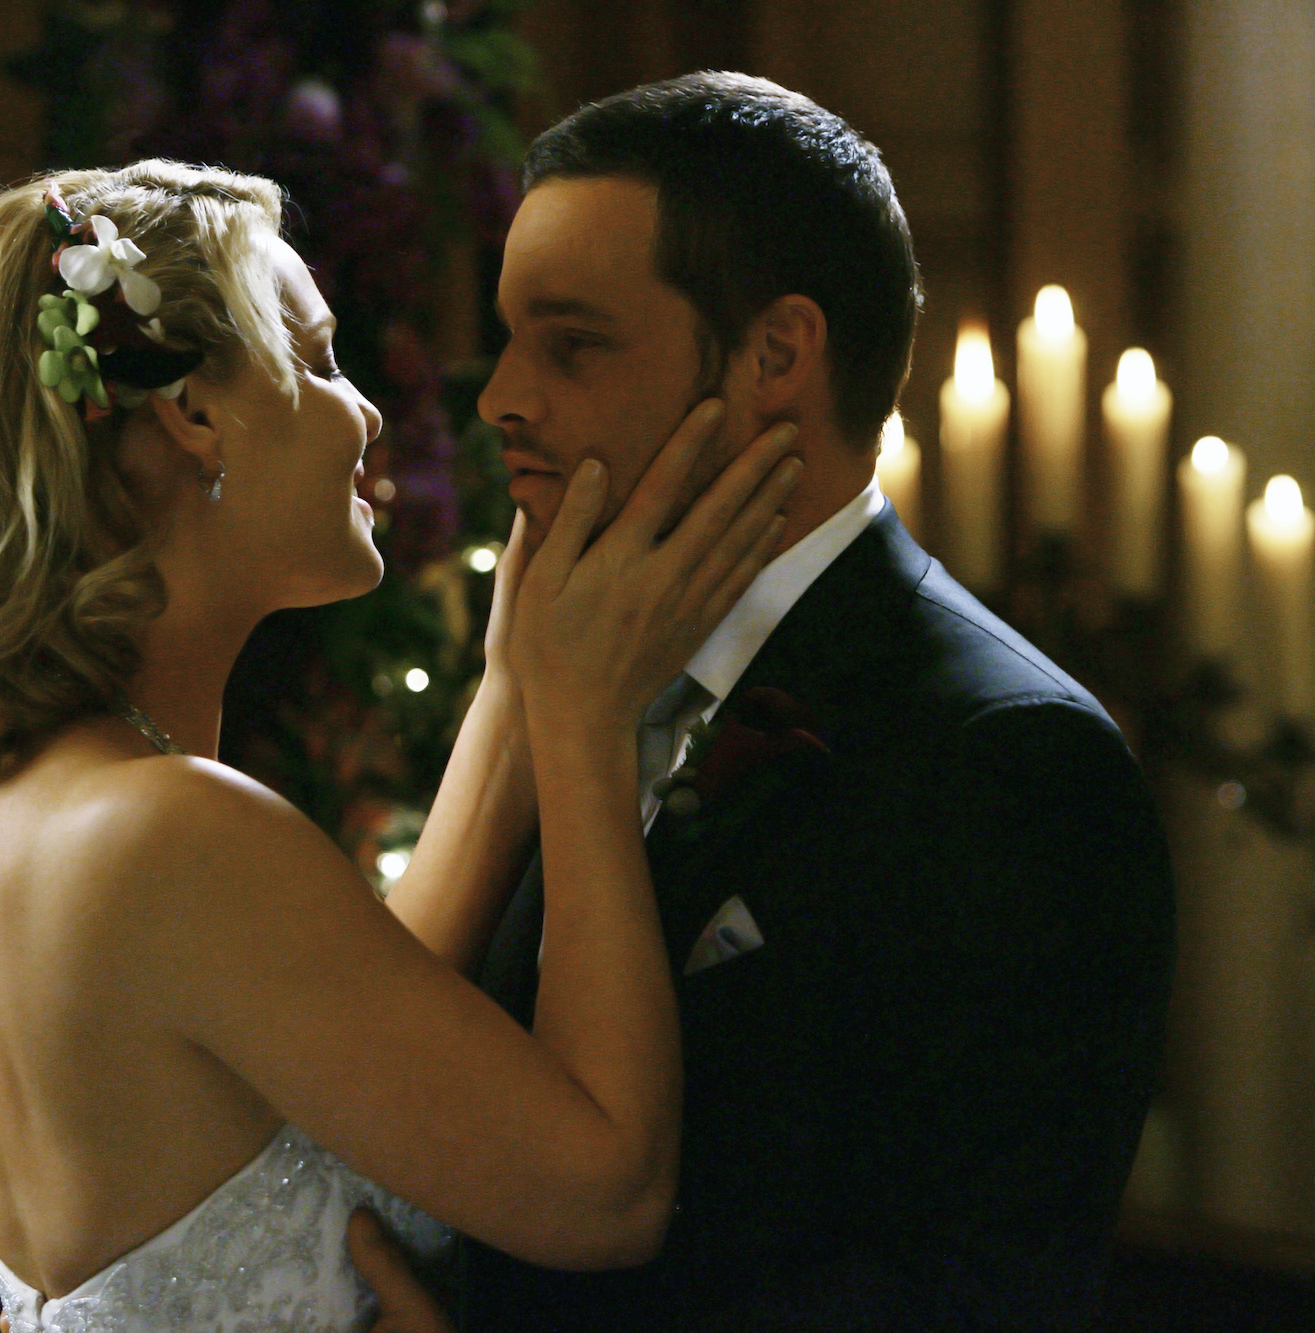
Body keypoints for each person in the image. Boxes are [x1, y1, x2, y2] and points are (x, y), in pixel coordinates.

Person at [0, 158, 801, 1333]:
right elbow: (609, 1194)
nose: (365, 410)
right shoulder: (172, 828)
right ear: (192, 413)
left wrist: (514, 686)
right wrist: (585, 725)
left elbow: (343, 1026)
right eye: (321, 361)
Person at [378, 73, 1179, 1331]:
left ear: (774, 355)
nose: (499, 400)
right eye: (509, 337)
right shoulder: (548, 670)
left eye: (571, 343)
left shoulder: (1006, 757)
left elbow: (969, 1294)